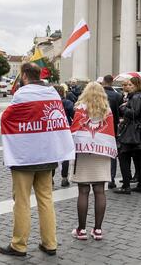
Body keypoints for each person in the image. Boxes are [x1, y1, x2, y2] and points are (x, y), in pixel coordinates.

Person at [0, 63, 75, 257]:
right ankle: (50, 243)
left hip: (24, 156)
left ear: (23, 75)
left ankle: (19, 245)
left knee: (22, 201)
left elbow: (7, 118)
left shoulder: (22, 94)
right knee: (46, 199)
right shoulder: (52, 93)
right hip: (48, 154)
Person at [70, 81, 115, 241]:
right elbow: (109, 131)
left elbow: (74, 129)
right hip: (102, 153)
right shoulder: (107, 110)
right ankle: (97, 230)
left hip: (84, 152)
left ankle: (81, 230)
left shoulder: (80, 108)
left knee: (83, 191)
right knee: (100, 191)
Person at [113, 76, 141, 194]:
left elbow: (134, 114)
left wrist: (123, 108)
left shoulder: (136, 97)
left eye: (131, 85)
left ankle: (126, 186)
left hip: (133, 134)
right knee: (140, 160)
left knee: (123, 157)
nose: (128, 86)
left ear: (137, 85)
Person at [102, 75, 122, 189]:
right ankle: (111, 178)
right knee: (112, 154)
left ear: (104, 82)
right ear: (112, 82)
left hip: (99, 128)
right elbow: (120, 114)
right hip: (113, 129)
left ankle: (99, 176)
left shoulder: (98, 95)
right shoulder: (117, 96)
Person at [54, 84, 76, 187]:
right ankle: (64, 178)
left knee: (53, 155)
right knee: (66, 154)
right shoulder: (67, 102)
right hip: (65, 130)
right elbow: (74, 116)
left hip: (53, 131)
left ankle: (51, 178)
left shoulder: (50, 103)